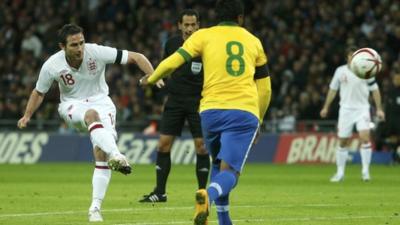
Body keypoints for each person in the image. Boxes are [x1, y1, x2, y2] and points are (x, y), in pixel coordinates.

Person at [140, 0, 271, 224]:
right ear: (240, 18)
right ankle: (207, 195)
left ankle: (223, 220)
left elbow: (171, 62)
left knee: (217, 164)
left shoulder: (203, 36)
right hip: (242, 112)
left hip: (209, 112)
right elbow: (265, 88)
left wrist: (150, 78)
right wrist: (258, 119)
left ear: (216, 17)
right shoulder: (254, 41)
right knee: (231, 173)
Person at [17, 24, 163, 222]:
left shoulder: (97, 52)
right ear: (62, 46)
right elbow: (39, 92)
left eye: (82, 43)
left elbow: (136, 56)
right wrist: (27, 116)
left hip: (103, 103)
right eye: (74, 45)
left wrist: (154, 75)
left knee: (100, 154)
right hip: (72, 106)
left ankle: (95, 208)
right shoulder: (52, 65)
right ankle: (117, 154)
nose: (80, 48)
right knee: (91, 116)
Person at [139, 9, 210, 203]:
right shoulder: (171, 44)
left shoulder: (206, 45)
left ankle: (203, 193)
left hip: (199, 101)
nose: (189, 28)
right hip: (175, 100)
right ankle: (160, 192)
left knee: (201, 147)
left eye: (193, 24)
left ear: (198, 25)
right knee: (163, 144)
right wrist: (157, 79)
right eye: (185, 25)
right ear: (179, 25)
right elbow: (166, 66)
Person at [320, 46, 385, 182]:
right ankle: (340, 173)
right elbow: (333, 90)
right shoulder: (340, 71)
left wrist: (379, 108)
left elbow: (375, 90)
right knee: (343, 141)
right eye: (350, 55)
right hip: (345, 110)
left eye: (354, 55)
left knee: (365, 138)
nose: (352, 57)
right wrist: (326, 107)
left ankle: (365, 172)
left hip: (362, 109)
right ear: (347, 58)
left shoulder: (365, 69)